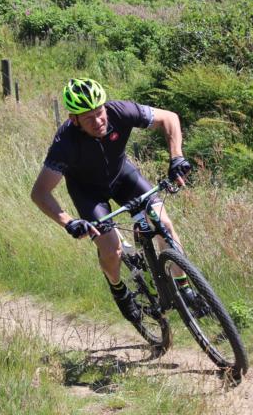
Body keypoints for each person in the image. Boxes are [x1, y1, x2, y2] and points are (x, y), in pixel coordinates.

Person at [31, 78, 193, 322]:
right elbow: (40, 192)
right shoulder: (64, 144)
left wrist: (177, 157)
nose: (98, 121)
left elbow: (169, 118)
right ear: (74, 119)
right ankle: (119, 290)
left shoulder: (120, 111)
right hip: (88, 193)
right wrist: (68, 222)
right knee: (111, 249)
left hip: (123, 176)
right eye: (88, 118)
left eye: (99, 112)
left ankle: (183, 286)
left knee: (163, 223)